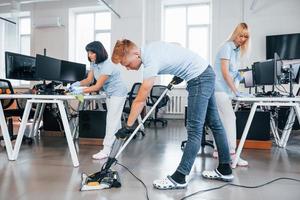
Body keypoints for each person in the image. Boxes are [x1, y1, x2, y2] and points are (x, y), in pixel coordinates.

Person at [111, 39, 234, 190]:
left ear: (136, 54)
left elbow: (140, 99)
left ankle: (180, 177)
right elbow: (176, 47)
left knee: (195, 129)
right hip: (206, 72)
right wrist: (181, 71)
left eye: (127, 64)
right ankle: (225, 169)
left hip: (199, 79)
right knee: (215, 123)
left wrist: (128, 126)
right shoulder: (151, 47)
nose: (128, 69)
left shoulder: (150, 62)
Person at [70, 41, 127, 160]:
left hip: (118, 93)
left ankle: (106, 150)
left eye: (92, 52)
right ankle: (117, 147)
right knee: (115, 121)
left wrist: (80, 91)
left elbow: (96, 86)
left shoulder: (107, 65)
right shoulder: (94, 64)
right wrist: (76, 84)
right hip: (109, 93)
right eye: (88, 52)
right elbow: (89, 80)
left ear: (99, 52)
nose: (89, 55)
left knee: (111, 121)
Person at [214, 22, 251, 167]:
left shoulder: (235, 51)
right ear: (235, 34)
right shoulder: (227, 47)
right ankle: (232, 154)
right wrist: (236, 91)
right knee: (230, 118)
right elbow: (224, 72)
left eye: (245, 37)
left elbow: (233, 73)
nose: (242, 39)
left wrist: (244, 77)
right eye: (241, 35)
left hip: (224, 90)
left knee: (222, 121)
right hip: (218, 89)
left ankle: (218, 150)